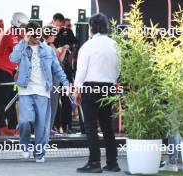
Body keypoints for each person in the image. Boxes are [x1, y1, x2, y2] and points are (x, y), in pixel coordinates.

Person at [10, 21, 69, 162]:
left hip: (43, 91)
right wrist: (24, 41)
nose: (36, 36)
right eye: (32, 33)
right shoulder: (22, 48)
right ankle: (24, 145)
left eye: (38, 33)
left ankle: (39, 154)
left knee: (41, 126)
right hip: (25, 90)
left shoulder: (47, 50)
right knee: (25, 121)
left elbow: (57, 68)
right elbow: (13, 58)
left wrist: (66, 83)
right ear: (28, 33)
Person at [74, 13, 120, 173]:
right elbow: (117, 69)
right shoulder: (115, 45)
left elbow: (81, 71)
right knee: (108, 127)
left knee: (91, 127)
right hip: (109, 87)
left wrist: (77, 89)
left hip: (90, 88)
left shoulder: (88, 45)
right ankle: (112, 162)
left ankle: (94, 163)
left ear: (91, 27)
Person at [0, 12, 28, 135]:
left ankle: (12, 126)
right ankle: (1, 126)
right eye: (23, 27)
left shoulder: (16, 36)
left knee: (10, 98)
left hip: (7, 71)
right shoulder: (11, 34)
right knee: (3, 99)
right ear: (17, 25)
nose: (25, 30)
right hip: (0, 70)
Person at [52, 13, 78, 133]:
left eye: (67, 25)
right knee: (54, 99)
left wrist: (68, 47)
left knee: (66, 99)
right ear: (55, 21)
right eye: (62, 24)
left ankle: (67, 126)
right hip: (54, 71)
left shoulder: (68, 33)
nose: (64, 27)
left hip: (66, 70)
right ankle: (54, 125)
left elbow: (75, 45)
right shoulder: (49, 32)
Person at [43, 25, 69, 134]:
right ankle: (46, 129)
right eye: (53, 34)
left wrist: (63, 50)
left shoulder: (51, 46)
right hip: (51, 78)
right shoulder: (45, 47)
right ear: (48, 35)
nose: (55, 36)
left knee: (53, 105)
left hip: (54, 77)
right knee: (50, 104)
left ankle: (48, 128)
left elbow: (59, 61)